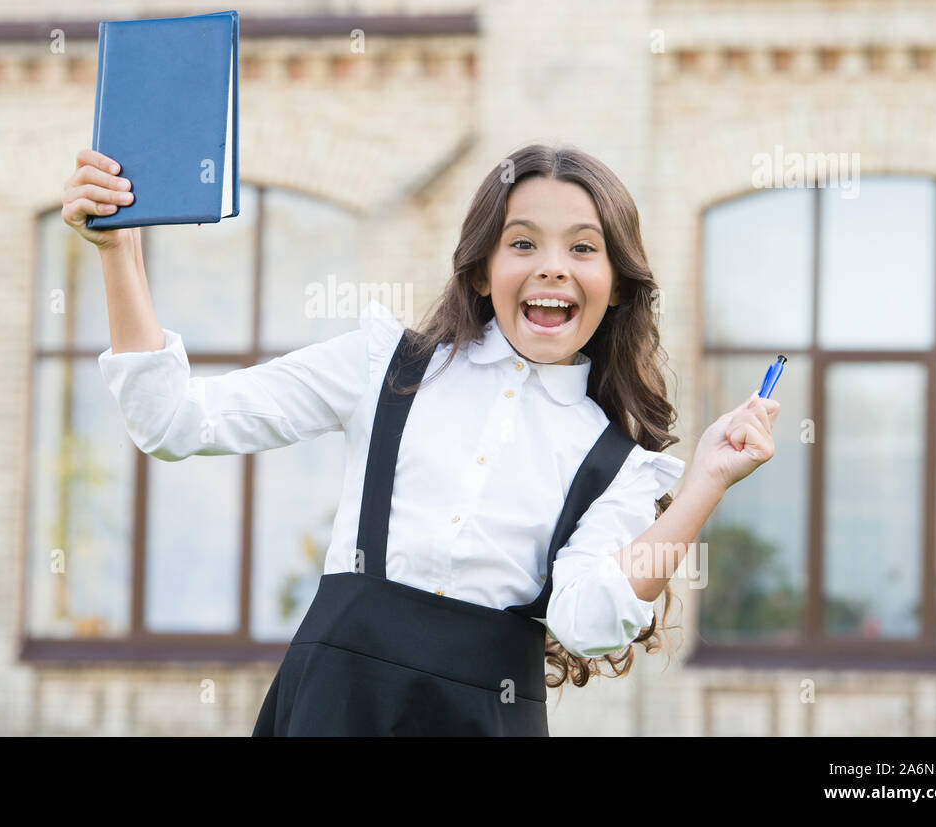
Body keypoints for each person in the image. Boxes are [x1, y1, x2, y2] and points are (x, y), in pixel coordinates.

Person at [61, 142, 779, 736]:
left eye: (583, 248)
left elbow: (588, 622)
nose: (552, 265)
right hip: (333, 706)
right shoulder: (384, 366)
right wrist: (118, 250)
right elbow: (176, 420)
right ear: (480, 270)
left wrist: (704, 483)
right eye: (522, 242)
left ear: (617, 285)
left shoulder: (619, 465)